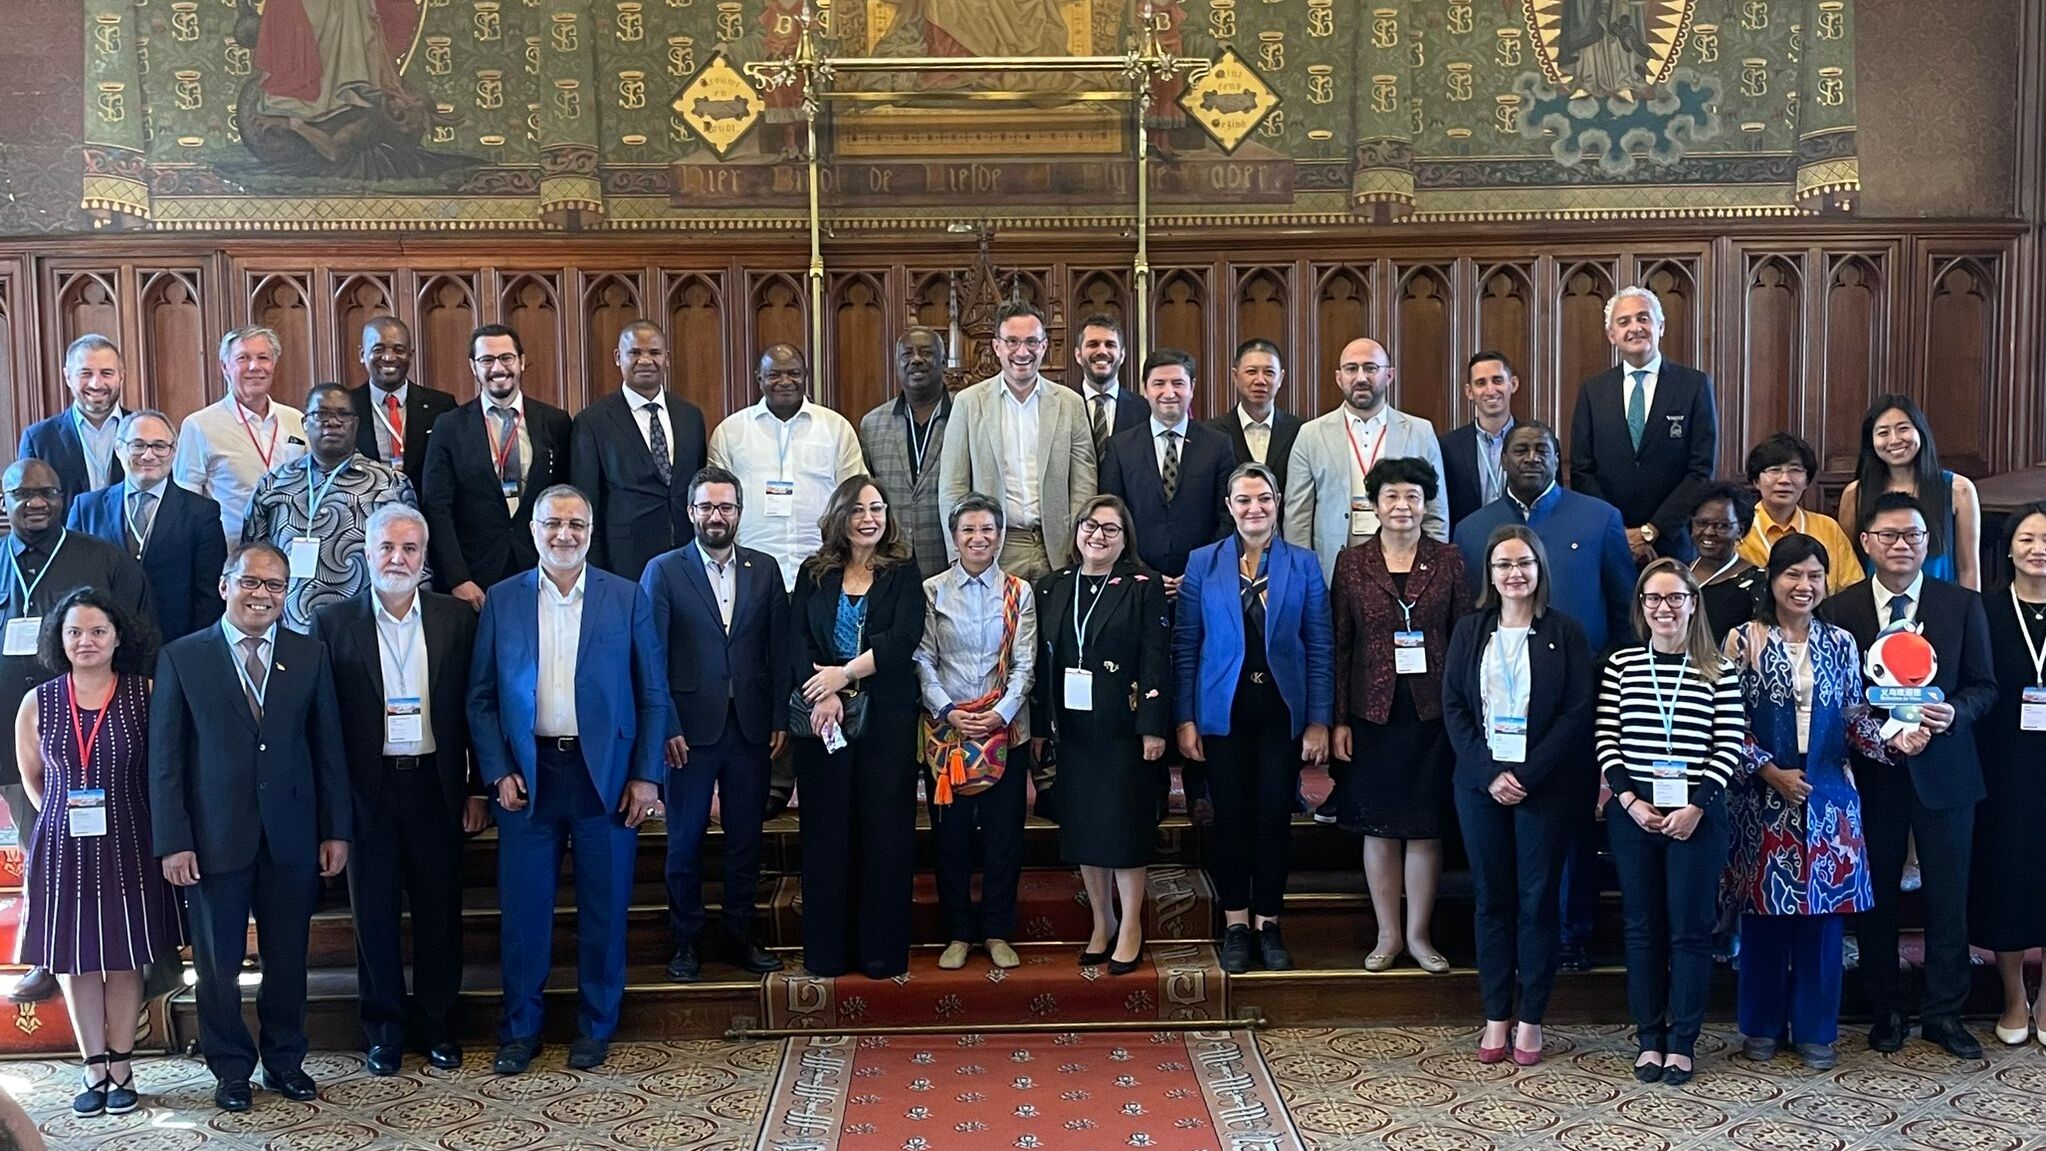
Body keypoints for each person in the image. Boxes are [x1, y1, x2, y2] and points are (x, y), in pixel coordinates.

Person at [467, 485, 667, 1075]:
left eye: (576, 524)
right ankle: (520, 1030)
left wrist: (646, 776)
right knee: (523, 914)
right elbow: (480, 698)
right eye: (553, 523)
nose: (564, 534)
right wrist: (496, 770)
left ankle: (596, 1026)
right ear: (533, 530)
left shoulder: (625, 596)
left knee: (604, 910)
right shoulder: (503, 599)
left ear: (591, 532)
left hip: (605, 778)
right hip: (527, 779)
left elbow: (653, 694)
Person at [149, 542, 350, 1112]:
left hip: (292, 836)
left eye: (275, 585)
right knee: (218, 965)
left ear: (287, 593)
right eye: (251, 582)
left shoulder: (309, 654)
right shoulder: (183, 657)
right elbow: (166, 759)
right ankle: (231, 1069)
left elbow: (328, 748)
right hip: (213, 840)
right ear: (225, 585)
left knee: (288, 960)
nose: (262, 595)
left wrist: (335, 829)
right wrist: (174, 840)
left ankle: (286, 1061)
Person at [1452, 421, 1637, 972]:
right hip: (1495, 716)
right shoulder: (1472, 528)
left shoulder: (1599, 518)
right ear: (1502, 459)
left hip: (1577, 710)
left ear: (1559, 459)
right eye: (1521, 449)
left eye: (1543, 449)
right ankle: (1508, 941)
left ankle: (1571, 932)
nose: (1531, 457)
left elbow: (1624, 613)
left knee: (1572, 828)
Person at [1822, 491, 1997, 1060]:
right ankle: (1886, 1008)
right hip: (1874, 776)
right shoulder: (1840, 610)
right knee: (1876, 898)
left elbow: (1984, 686)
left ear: (1929, 543)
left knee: (1949, 896)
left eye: (1913, 535)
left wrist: (1954, 713)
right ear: (1866, 542)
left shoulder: (1961, 605)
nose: (1901, 545)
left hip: (1946, 771)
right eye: (1889, 535)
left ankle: (1945, 1013)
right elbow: (1836, 697)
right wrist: (1881, 735)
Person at [312, 505, 480, 1076]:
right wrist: (334, 811)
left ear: (424, 557)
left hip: (436, 785)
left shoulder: (456, 618)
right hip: (369, 791)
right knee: (374, 917)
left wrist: (476, 789)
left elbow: (474, 708)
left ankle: (439, 1025)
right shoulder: (334, 623)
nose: (397, 559)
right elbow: (325, 727)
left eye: (409, 549)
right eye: (386, 547)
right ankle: (383, 1029)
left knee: (440, 913)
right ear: (367, 553)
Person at [13, 589, 176, 1117]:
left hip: (131, 839)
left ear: (118, 637)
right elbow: (33, 779)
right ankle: (93, 1066)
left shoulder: (144, 693)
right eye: (75, 632)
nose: (86, 641)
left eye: (98, 631)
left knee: (125, 956)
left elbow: (164, 767)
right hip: (63, 845)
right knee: (76, 959)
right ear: (59, 640)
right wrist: (69, 816)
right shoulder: (38, 702)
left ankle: (122, 1065)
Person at [1721, 533, 1879, 1071]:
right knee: (1763, 917)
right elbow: (1726, 720)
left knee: (1823, 922)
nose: (1803, 585)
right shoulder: (1743, 639)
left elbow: (1855, 716)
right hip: (1762, 795)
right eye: (1793, 574)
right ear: (1772, 579)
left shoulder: (1842, 643)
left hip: (1829, 796)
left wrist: (1897, 739)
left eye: (1814, 575)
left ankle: (1816, 1029)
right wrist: (1769, 771)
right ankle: (1761, 1026)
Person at [0, 460, 155, 1007]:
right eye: (23, 493)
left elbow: (142, 640)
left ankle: (128, 947)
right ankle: (49, 952)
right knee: (38, 841)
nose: (35, 502)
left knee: (117, 848)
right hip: (18, 726)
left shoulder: (103, 560)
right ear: (5, 500)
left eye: (47, 492)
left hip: (103, 728)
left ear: (64, 497)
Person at [1442, 525, 1595, 1066]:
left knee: (1537, 900)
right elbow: (1454, 707)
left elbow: (1577, 711)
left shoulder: (1565, 631)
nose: (1514, 574)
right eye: (1503, 564)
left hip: (1546, 786)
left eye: (1524, 563)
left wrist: (1527, 774)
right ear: (1490, 572)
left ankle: (1530, 1019)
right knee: (1492, 899)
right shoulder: (1470, 630)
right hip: (1480, 785)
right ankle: (1495, 1016)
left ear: (1540, 569)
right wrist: (1489, 772)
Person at [1177, 463, 1332, 974]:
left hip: (1281, 713)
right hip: (1223, 713)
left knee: (1273, 818)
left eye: (1263, 498)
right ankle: (1236, 925)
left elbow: (1320, 645)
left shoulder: (1303, 564)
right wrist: (1185, 718)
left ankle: (1269, 922)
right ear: (1229, 506)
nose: (1254, 508)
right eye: (1243, 500)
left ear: (1278, 502)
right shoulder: (1203, 562)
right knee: (1231, 818)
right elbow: (1187, 644)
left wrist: (1319, 720)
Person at [1598, 558, 1745, 1086]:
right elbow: (1606, 740)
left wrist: (1696, 807)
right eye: (1654, 599)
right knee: (1642, 929)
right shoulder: (1621, 665)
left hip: (1697, 816)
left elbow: (1729, 743)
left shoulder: (1718, 669)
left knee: (1689, 930)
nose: (1664, 608)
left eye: (1675, 598)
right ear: (1641, 606)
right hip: (1634, 814)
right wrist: (1630, 802)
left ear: (1692, 604)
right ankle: (1649, 1037)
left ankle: (1682, 1040)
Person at [640, 466, 788, 983]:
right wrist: (665, 725)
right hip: (687, 733)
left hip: (749, 728)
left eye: (725, 506)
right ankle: (686, 940)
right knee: (684, 843)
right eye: (706, 506)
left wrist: (777, 716)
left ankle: (740, 935)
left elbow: (777, 648)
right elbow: (651, 656)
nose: (716, 516)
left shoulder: (764, 569)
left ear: (739, 512)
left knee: (746, 840)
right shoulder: (663, 570)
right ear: (690, 512)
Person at [1331, 457, 1472, 973]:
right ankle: (1387, 935)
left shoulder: (1449, 559)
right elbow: (1340, 643)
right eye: (1391, 496)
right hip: (1372, 711)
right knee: (1380, 827)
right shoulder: (1351, 563)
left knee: (1425, 826)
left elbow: (1464, 637)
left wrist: (1465, 714)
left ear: (1426, 503)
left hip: (1433, 712)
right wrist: (1338, 719)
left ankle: (1419, 936)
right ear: (1374, 504)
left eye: (1412, 496)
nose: (1402, 506)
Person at [789, 476, 926, 979]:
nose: (870, 518)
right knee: (827, 835)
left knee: (884, 835)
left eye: (878, 508)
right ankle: (828, 952)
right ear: (840, 516)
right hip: (822, 719)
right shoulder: (814, 572)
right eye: (859, 509)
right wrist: (823, 691)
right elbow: (797, 639)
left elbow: (902, 639)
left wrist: (843, 676)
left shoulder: (903, 570)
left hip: (886, 720)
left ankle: (880, 954)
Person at [1032, 495, 1170, 973]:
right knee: (1084, 828)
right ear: (1076, 531)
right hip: (1071, 729)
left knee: (1124, 827)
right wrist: (1039, 726)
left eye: (1111, 528)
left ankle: (1130, 925)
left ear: (1125, 538)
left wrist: (1152, 726)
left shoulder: (1143, 585)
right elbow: (1040, 661)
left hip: (1123, 728)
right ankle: (1101, 920)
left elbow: (1156, 656)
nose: (1098, 535)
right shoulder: (1052, 586)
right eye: (1090, 525)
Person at [914, 494, 1038, 970]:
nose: (978, 538)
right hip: (949, 734)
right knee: (952, 839)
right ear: (954, 536)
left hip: (1005, 732)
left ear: (1000, 534)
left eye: (987, 529)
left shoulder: (1018, 592)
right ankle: (958, 933)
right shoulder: (932, 591)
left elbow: (1025, 665)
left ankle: (998, 930)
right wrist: (948, 711)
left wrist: (999, 714)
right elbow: (923, 659)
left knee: (1004, 836)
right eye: (968, 529)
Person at [939, 301, 1097, 582]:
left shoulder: (1070, 404)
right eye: (1012, 341)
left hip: (1058, 548)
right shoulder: (968, 403)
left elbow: (1084, 484)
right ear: (996, 347)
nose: (1022, 352)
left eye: (1031, 342)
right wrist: (958, 554)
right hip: (995, 548)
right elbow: (953, 485)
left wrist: (1080, 545)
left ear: (1044, 346)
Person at [418, 324, 573, 610]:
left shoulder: (556, 422)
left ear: (522, 362)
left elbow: (566, 498)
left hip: (541, 570)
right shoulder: (449, 426)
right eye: (487, 360)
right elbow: (437, 507)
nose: (498, 368)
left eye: (506, 358)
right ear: (473, 367)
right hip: (474, 580)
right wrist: (457, 578)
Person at [241, 382, 416, 634]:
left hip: (365, 627)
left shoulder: (390, 484)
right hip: (290, 627)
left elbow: (415, 564)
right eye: (321, 414)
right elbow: (252, 558)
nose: (332, 422)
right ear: (305, 424)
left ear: (355, 424)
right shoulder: (274, 484)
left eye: (342, 414)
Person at [1568, 286, 1717, 562]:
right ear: (1612, 335)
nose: (1635, 328)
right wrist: (1618, 530)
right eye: (1624, 322)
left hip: (1672, 542)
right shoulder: (1593, 390)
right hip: (1610, 543)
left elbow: (1701, 469)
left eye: (1643, 318)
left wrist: (1652, 530)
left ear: (1661, 326)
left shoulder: (1693, 385)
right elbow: (1582, 470)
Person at [1283, 337, 1449, 583]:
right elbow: (1297, 518)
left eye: (1371, 368)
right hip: (1332, 569)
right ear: (1339, 378)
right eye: (1351, 368)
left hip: (1407, 567)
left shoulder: (1420, 432)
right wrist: (1303, 578)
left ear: (1389, 375)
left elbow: (1436, 513)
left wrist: (1431, 573)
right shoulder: (1311, 434)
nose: (1361, 377)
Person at [1974, 501, 2046, 1045]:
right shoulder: (1986, 610)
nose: (2038, 549)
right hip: (2002, 766)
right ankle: (2014, 996)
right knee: (2007, 876)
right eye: (2027, 539)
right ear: (2009, 548)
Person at [708, 343, 865, 592]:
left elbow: (856, 496)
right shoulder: (730, 432)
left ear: (805, 376)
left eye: (793, 373)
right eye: (774, 374)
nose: (785, 381)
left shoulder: (836, 428)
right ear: (759, 378)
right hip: (750, 570)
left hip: (822, 566)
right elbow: (716, 504)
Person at [67, 409, 228, 641]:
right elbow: (73, 584)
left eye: (160, 446)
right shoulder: (87, 508)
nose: (149, 455)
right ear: (118, 449)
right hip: (104, 645)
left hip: (175, 645)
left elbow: (208, 597)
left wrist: (193, 650)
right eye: (138, 445)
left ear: (174, 452)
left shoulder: (202, 513)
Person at [571, 321, 710, 581]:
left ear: (667, 358)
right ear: (618, 357)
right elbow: (586, 501)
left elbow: (698, 487)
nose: (645, 361)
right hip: (623, 562)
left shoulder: (690, 416)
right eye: (635, 352)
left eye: (654, 353)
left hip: (687, 556)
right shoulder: (592, 421)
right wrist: (596, 570)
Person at [1097, 348, 1233, 596]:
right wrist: (1143, 572)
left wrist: (1199, 570)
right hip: (1136, 584)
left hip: (1204, 583)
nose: (1169, 393)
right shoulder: (1120, 447)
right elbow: (1112, 516)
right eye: (1159, 383)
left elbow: (1227, 516)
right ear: (1145, 389)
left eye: (1178, 383)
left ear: (1192, 387)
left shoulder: (1218, 445)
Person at [173, 327, 309, 545]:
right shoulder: (198, 426)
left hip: (291, 548)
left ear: (273, 364)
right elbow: (186, 502)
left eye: (263, 358)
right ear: (225, 366)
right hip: (232, 552)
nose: (254, 367)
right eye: (243, 358)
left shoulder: (297, 419)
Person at [1836, 394, 1981, 590]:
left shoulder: (1958, 489)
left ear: (1920, 431)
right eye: (1883, 432)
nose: (1894, 440)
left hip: (1942, 603)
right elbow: (1847, 568)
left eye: (1903, 429)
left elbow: (1968, 569)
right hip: (1876, 605)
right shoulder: (1855, 494)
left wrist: (1971, 609)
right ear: (1871, 440)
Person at [859, 327, 955, 580]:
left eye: (926, 353)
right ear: (897, 363)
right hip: (889, 559)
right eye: (907, 354)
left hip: (949, 558)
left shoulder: (965, 415)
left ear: (944, 361)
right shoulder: (872, 423)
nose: (916, 359)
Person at [1739, 432, 1859, 595]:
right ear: (1756, 481)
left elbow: (1852, 591)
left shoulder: (1828, 528)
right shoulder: (1738, 530)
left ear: (1807, 481)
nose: (1784, 480)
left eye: (1795, 470)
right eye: (1774, 470)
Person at [350, 316, 457, 495]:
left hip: (425, 508)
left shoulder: (441, 406)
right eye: (378, 349)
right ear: (362, 354)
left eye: (398, 349)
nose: (389, 357)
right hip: (365, 509)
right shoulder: (346, 407)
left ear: (410, 355)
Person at [17, 335, 127, 500]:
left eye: (106, 373)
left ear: (121, 376)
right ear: (68, 377)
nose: (96, 384)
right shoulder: (38, 439)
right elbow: (28, 504)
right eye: (86, 374)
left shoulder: (146, 433)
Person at [1206, 339, 1303, 494]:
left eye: (1269, 372)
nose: (1260, 380)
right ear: (1235, 376)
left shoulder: (1301, 431)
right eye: (1251, 372)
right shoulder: (1211, 433)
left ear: (1281, 378)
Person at [1438, 351, 1520, 531]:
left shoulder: (1537, 443)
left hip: (1523, 543)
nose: (1490, 390)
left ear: (1513, 384)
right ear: (1469, 392)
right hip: (1467, 542)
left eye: (1497, 380)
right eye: (1481, 383)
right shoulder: (1447, 447)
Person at [1687, 481, 1764, 639]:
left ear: (1740, 531)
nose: (1709, 532)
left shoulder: (1758, 584)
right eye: (1702, 523)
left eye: (1722, 525)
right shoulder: (1678, 573)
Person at [1073, 312, 1145, 457]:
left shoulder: (1144, 409)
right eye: (1093, 344)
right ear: (1078, 355)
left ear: (1122, 355)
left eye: (1110, 344)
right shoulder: (1064, 407)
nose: (1102, 351)